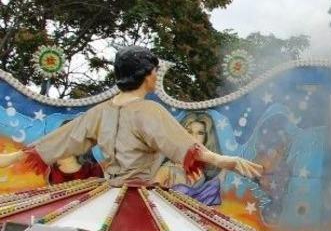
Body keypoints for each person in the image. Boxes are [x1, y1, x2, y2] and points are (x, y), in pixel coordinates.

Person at [0, 47, 261, 185]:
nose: (156, 76)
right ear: (147, 75)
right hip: (138, 195)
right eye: (155, 71)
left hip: (105, 192)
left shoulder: (100, 111)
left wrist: (17, 156)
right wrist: (227, 160)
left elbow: (64, 139)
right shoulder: (150, 111)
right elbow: (185, 146)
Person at [154, 111, 224, 205]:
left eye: (200, 133)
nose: (193, 137)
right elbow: (150, 198)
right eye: (189, 132)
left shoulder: (202, 171)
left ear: (206, 138)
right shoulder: (167, 170)